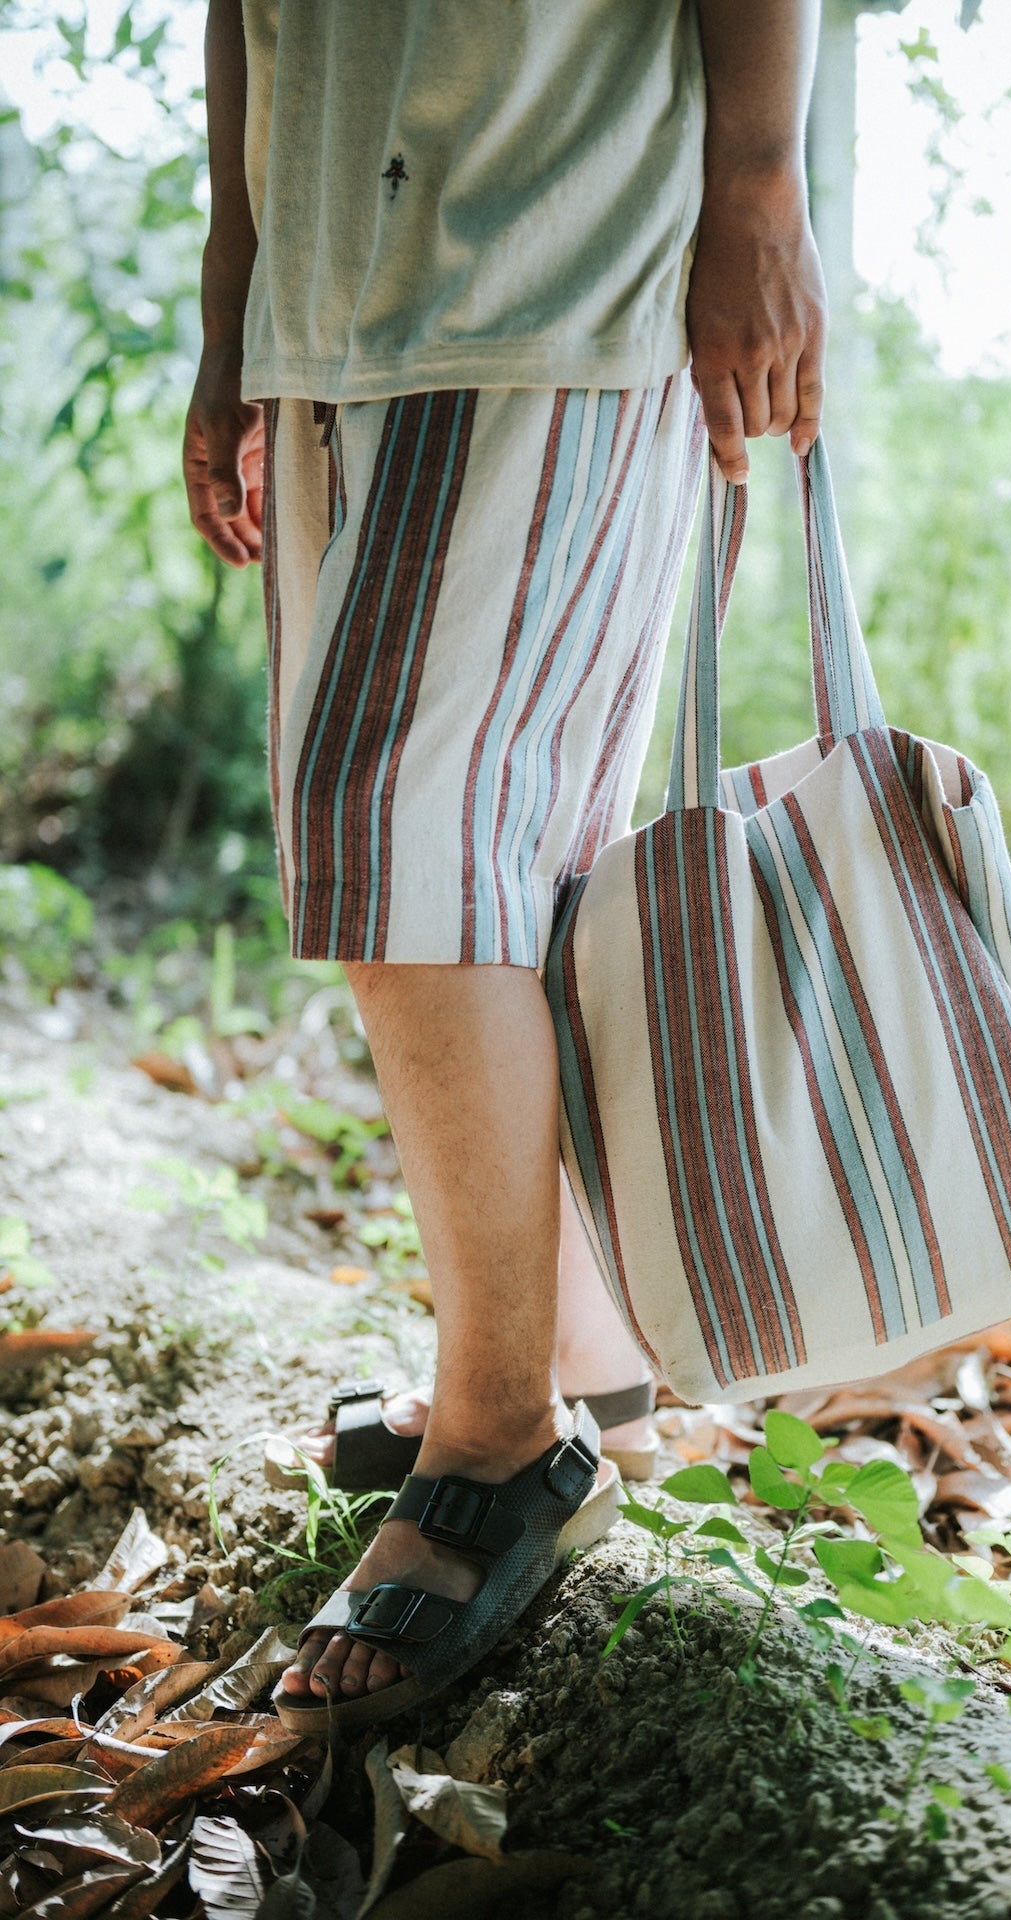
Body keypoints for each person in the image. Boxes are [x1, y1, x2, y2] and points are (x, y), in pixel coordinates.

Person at [183, 0, 826, 1718]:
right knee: (507, 857)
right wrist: (234, 304)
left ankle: (499, 1440)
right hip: (339, 303)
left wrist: (757, 187)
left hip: (550, 259)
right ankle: (586, 1366)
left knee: (398, 836)